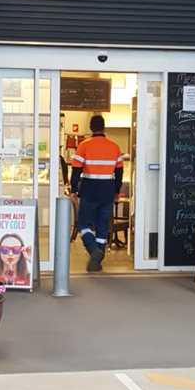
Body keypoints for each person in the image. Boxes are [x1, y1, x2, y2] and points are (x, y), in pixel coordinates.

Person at [69, 115, 123, 272]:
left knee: (83, 224)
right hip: (107, 190)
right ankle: (97, 260)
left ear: (91, 128)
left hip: (89, 190)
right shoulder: (114, 147)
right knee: (102, 226)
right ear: (104, 127)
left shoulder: (84, 146)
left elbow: (76, 170)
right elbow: (119, 172)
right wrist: (117, 191)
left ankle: (94, 250)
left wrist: (73, 189)